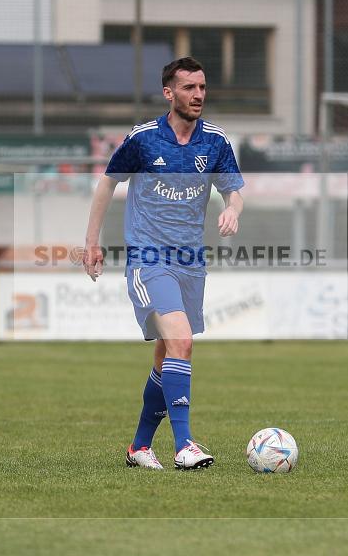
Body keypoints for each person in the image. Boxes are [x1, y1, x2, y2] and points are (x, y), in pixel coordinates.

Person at [82, 57, 244, 471]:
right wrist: (91, 242)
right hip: (148, 259)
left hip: (190, 262)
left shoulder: (216, 142)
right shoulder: (143, 139)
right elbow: (107, 184)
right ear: (169, 93)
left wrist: (232, 210)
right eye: (189, 88)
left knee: (166, 354)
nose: (198, 95)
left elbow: (233, 191)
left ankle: (138, 447)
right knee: (182, 341)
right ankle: (184, 444)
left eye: (203, 88)